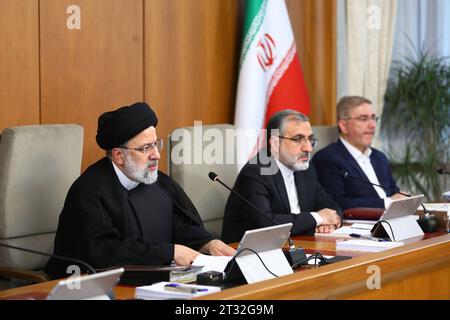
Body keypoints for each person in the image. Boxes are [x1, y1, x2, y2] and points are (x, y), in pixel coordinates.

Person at [45, 102, 235, 279]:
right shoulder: (90, 193)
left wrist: (208, 243)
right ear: (119, 155)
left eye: (155, 144)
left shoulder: (160, 184)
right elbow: (105, 253)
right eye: (146, 148)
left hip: (156, 282)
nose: (157, 155)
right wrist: (171, 252)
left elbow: (181, 227)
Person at [221, 110, 342, 244]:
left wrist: (328, 222)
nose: (308, 148)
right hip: (251, 254)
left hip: (297, 246)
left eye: (310, 139)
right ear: (275, 143)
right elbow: (266, 225)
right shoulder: (256, 172)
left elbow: (331, 205)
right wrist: (317, 218)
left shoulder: (304, 169)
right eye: (298, 139)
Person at [312, 96, 407, 211]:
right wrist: (387, 203)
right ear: (344, 126)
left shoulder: (379, 157)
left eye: (373, 118)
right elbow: (336, 202)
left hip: (391, 219)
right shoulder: (327, 158)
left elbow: (394, 192)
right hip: (359, 224)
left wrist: (403, 199)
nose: (372, 125)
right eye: (363, 119)